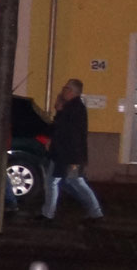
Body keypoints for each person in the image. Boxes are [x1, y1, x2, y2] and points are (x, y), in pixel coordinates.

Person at [38, 78, 104, 224]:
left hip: (68, 156)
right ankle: (48, 213)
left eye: (65, 88)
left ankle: (95, 212)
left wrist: (59, 113)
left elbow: (64, 131)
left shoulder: (73, 108)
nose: (63, 91)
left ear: (72, 91)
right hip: (66, 154)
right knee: (62, 181)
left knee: (72, 181)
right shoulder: (73, 107)